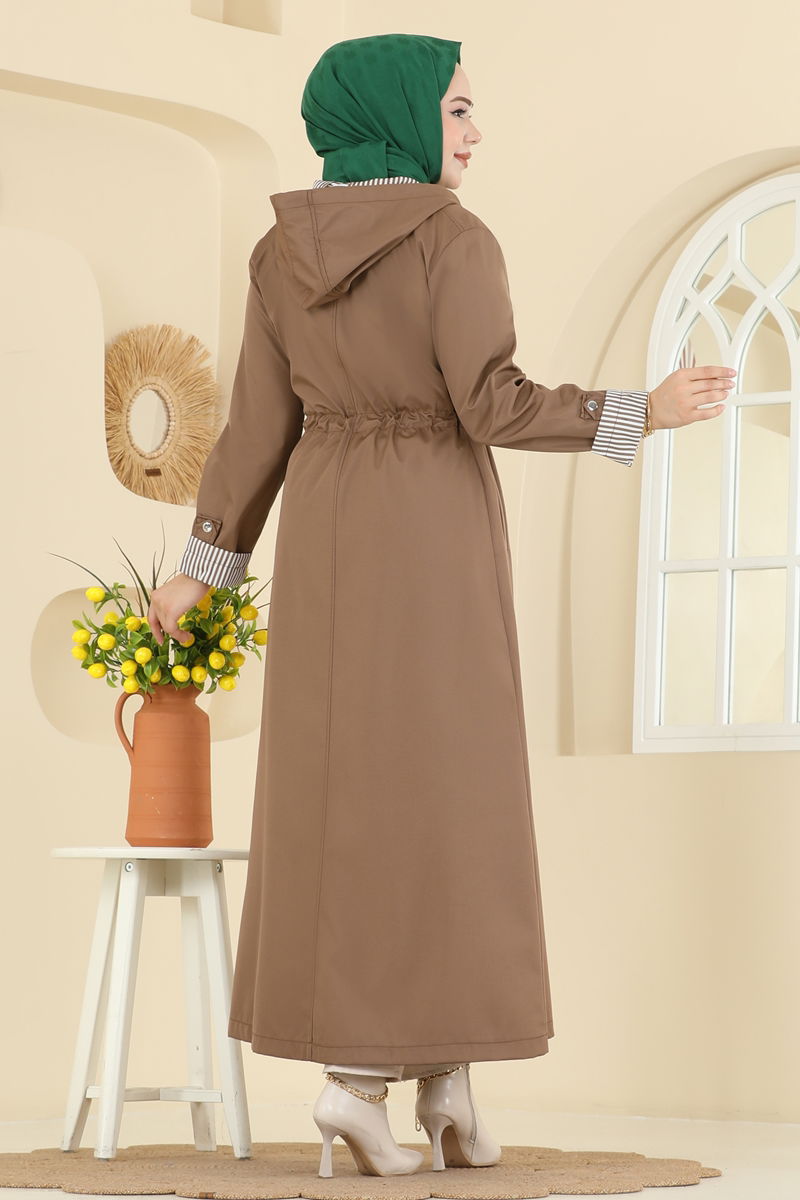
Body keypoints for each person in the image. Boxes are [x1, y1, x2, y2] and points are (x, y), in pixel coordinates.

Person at [147, 33, 736, 1179]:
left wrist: (201, 566)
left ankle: (420, 1084)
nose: (472, 132)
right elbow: (491, 404)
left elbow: (256, 431)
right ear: (403, 115)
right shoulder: (451, 241)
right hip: (430, 536)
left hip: (327, 534)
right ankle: (387, 1083)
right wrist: (640, 411)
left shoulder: (279, 253)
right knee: (451, 800)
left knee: (352, 805)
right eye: (456, 110)